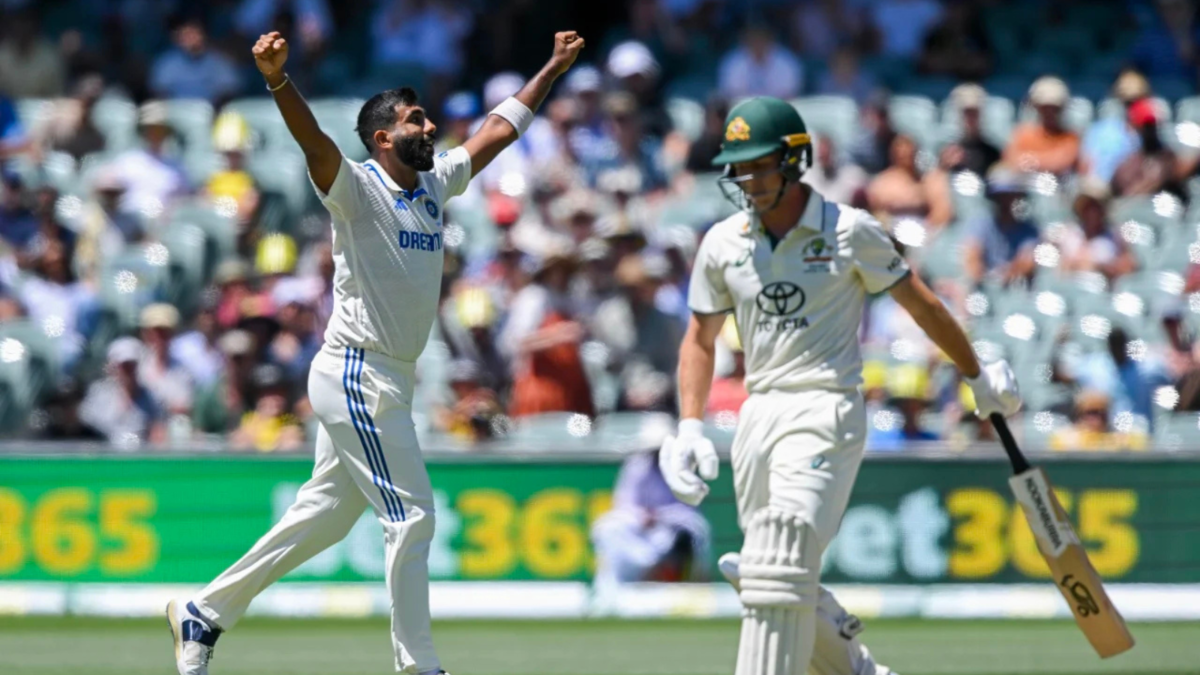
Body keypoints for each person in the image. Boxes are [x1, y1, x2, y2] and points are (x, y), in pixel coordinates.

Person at [166, 29, 585, 675]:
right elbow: (314, 144)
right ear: (383, 137)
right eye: (415, 119)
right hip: (357, 368)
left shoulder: (435, 182)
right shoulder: (356, 188)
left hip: (391, 373)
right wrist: (278, 80)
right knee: (413, 513)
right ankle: (418, 665)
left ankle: (204, 609)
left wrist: (551, 69)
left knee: (327, 516)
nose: (431, 124)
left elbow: (498, 132)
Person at [658, 96, 1021, 675]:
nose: (746, 179)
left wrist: (976, 371)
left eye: (758, 165)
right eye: (739, 168)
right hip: (759, 414)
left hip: (826, 405)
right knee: (768, 574)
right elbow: (700, 340)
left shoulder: (850, 231)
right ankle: (859, 669)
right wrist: (689, 427)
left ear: (793, 159)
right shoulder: (722, 243)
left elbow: (924, 307)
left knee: (779, 554)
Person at [1003, 76, 1080, 176]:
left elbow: (1062, 162)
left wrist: (1030, 161)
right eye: (1045, 108)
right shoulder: (1022, 134)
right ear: (1036, 107)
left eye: (1055, 108)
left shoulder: (1070, 137)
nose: (1049, 112)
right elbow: (1012, 161)